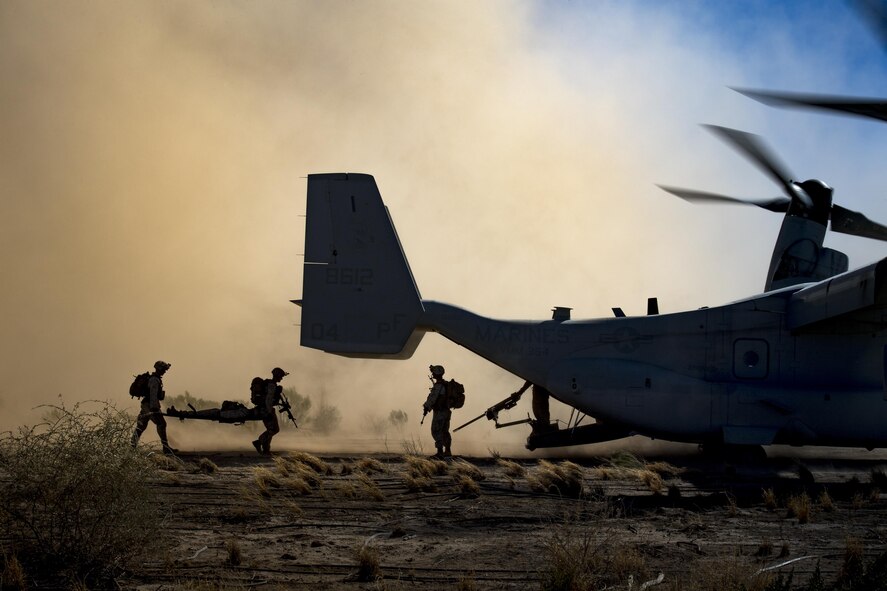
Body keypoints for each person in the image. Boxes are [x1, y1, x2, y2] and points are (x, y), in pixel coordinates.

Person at [132, 360, 175, 454]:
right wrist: (154, 409)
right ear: (159, 369)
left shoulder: (155, 379)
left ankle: (132, 447)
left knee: (141, 426)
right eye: (163, 369)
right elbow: (153, 395)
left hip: (146, 405)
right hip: (150, 406)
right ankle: (166, 447)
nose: (165, 371)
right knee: (161, 424)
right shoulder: (154, 380)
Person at [252, 367, 288, 454]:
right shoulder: (271, 385)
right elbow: (268, 400)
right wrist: (268, 412)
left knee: (270, 429)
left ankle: (266, 450)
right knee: (274, 429)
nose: (282, 378)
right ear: (277, 375)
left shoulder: (272, 385)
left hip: (266, 409)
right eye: (281, 376)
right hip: (266, 410)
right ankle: (258, 442)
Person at [422, 364, 453, 458]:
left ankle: (440, 452)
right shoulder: (446, 384)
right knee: (445, 431)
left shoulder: (438, 386)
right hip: (447, 412)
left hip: (440, 412)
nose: (432, 374)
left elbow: (432, 398)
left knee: (436, 431)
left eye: (434, 372)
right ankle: (448, 451)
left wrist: (426, 407)